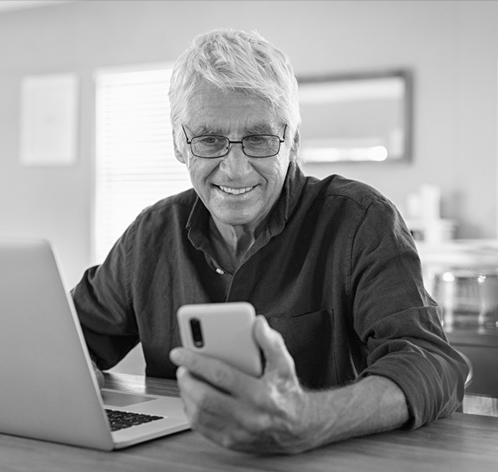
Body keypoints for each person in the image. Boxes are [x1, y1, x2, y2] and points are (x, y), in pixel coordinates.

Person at [72, 28, 468, 454]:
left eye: (260, 139)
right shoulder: (151, 234)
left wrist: (308, 418)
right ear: (178, 145)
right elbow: (71, 336)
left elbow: (434, 364)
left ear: (293, 142)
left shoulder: (360, 221)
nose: (236, 170)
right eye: (209, 140)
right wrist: (70, 372)